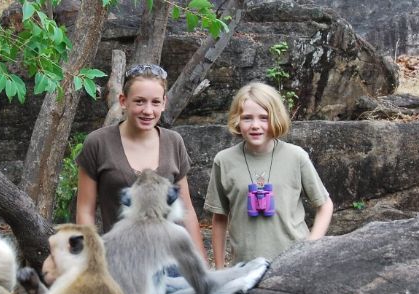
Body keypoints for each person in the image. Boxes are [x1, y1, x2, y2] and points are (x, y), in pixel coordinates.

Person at [75, 63, 208, 260]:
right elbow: (85, 211)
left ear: (164, 103)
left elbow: (186, 211)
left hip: (174, 261)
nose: (148, 110)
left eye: (155, 102)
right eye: (139, 101)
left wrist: (201, 264)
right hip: (122, 262)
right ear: (123, 100)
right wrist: (92, 261)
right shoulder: (98, 143)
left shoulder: (174, 142)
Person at [204, 81, 333, 268]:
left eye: (264, 118)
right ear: (237, 120)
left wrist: (310, 247)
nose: (255, 125)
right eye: (247, 118)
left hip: (293, 264)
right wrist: (220, 268)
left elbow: (325, 204)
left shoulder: (297, 157)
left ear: (276, 118)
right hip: (244, 268)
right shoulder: (223, 161)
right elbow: (219, 217)